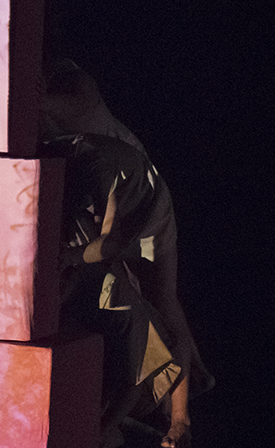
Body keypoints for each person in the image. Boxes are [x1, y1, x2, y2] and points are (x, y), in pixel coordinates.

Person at [38, 61, 213, 448]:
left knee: (156, 297)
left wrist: (69, 260)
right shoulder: (75, 141)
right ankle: (182, 412)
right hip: (111, 189)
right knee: (144, 303)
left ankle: (181, 415)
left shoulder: (77, 102)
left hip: (141, 205)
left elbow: (110, 247)